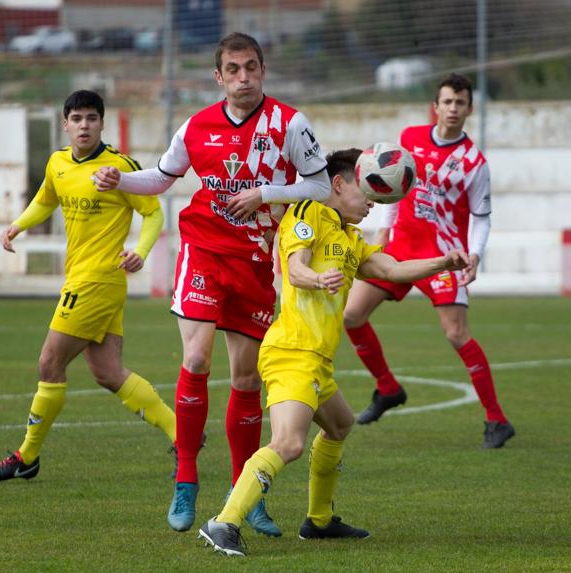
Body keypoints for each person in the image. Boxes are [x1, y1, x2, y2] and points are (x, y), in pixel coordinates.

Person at [94, 32, 331, 535]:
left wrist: (265, 193)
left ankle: (248, 495)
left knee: (246, 379)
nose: (244, 77)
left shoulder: (290, 124)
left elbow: (322, 186)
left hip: (254, 263)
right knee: (196, 358)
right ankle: (185, 479)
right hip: (203, 251)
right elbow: (161, 177)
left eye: (252, 68)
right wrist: (121, 179)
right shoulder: (197, 126)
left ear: (263, 70)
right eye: (234, 69)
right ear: (218, 76)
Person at [197, 148, 471, 557]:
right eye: (366, 194)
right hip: (292, 351)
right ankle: (224, 522)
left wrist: (443, 262)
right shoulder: (309, 211)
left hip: (316, 359)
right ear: (339, 184)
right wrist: (315, 278)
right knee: (288, 443)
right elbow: (295, 267)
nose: (371, 205)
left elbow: (392, 270)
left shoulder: (349, 237)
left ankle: (319, 521)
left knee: (340, 425)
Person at [0, 90, 176, 481]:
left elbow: (153, 214)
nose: (84, 125)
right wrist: (18, 225)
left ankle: (27, 457)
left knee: (49, 363)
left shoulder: (118, 168)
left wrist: (141, 250)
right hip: (85, 277)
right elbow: (46, 199)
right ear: (65, 124)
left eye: (91, 118)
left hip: (98, 279)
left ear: (102, 122)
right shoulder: (58, 164)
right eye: (77, 119)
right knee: (108, 373)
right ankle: (182, 437)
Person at [343, 74, 515, 449]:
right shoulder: (409, 139)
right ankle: (387, 388)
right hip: (401, 247)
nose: (453, 109)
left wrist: (475, 255)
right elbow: (396, 190)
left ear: (470, 108)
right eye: (447, 102)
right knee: (351, 316)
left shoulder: (474, 163)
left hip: (444, 256)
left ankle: (496, 419)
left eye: (460, 103)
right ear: (435, 106)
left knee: (456, 334)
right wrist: (384, 230)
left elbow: (482, 216)